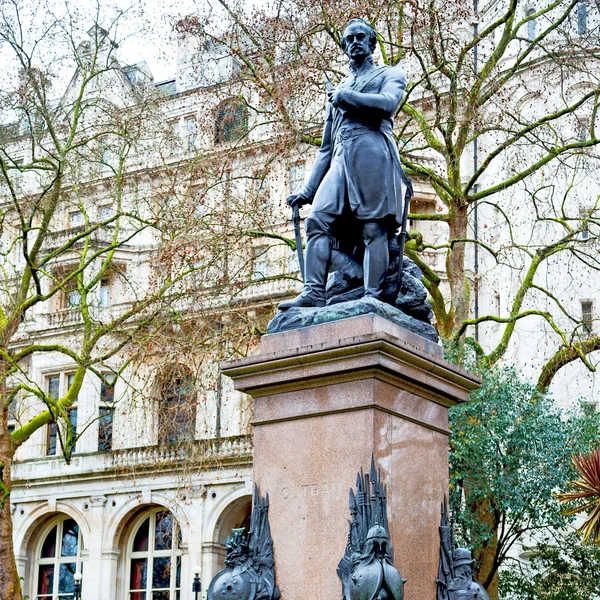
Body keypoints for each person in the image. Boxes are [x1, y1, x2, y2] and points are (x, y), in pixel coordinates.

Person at [279, 18, 408, 310]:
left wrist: (345, 96)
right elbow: (325, 147)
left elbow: (388, 105)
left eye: (360, 37)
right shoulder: (338, 90)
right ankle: (314, 291)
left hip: (372, 152)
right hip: (340, 157)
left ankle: (373, 297)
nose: (355, 43)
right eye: (348, 39)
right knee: (317, 221)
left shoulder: (390, 74)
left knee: (373, 228)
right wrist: (308, 191)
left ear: (372, 43)